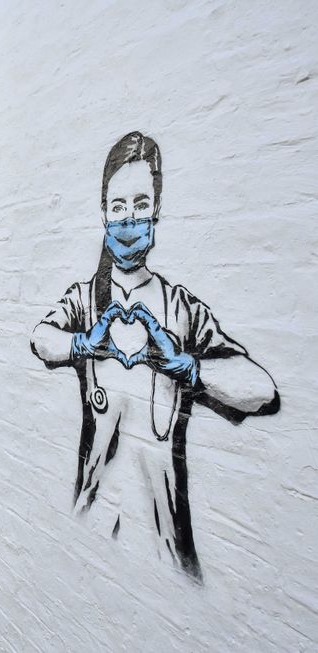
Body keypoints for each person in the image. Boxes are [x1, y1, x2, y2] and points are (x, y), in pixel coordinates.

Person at [30, 131, 279, 580]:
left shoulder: (181, 309)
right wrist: (83, 345)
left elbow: (261, 390)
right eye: (118, 207)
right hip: (91, 524)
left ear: (157, 210)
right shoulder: (86, 300)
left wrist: (187, 367)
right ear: (103, 213)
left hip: (167, 548)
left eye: (141, 205)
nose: (128, 220)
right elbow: (41, 339)